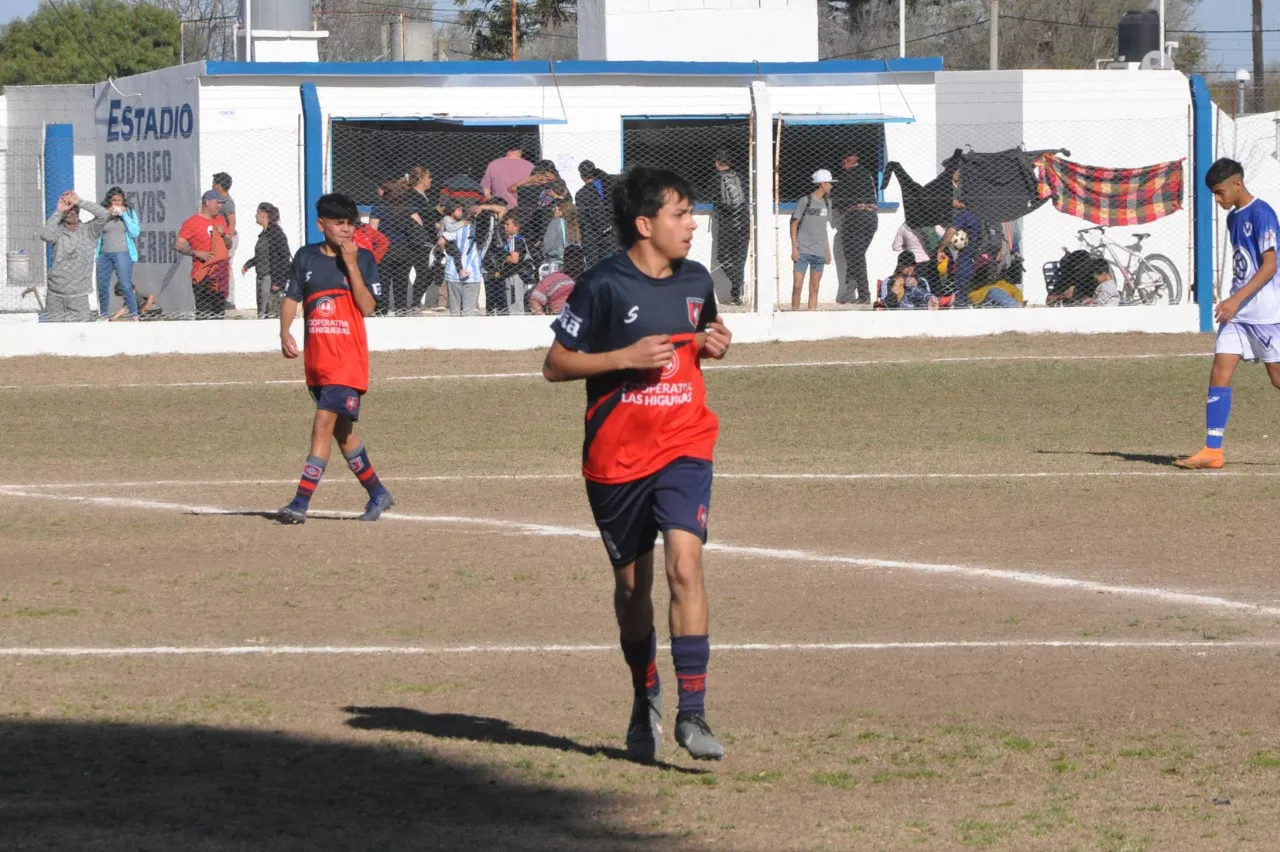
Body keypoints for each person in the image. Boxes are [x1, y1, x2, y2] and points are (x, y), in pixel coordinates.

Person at [541, 166, 733, 763]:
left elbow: (701, 335)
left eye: (691, 213)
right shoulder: (602, 285)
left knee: (684, 566)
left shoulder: (697, 279)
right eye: (680, 215)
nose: (692, 225)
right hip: (617, 458)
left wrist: (716, 344)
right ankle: (644, 691)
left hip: (685, 444)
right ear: (645, 224)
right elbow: (555, 364)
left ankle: (693, 713)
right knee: (632, 588)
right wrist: (622, 356)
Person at [276, 192, 394, 524]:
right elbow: (291, 297)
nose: (345, 230)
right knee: (344, 434)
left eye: (350, 224)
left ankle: (300, 502)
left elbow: (368, 307)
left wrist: (352, 264)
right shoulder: (305, 257)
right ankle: (378, 493)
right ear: (321, 224)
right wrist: (285, 331)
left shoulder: (364, 258)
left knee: (323, 424)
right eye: (338, 223)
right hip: (317, 362)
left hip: (347, 362)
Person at [1176, 158, 1280, 470]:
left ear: (1238, 184)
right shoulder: (1234, 218)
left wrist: (1236, 299)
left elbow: (1270, 265)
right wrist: (1234, 302)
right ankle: (1212, 450)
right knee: (1220, 370)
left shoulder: (1262, 213)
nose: (1217, 199)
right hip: (1237, 315)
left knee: (1277, 378)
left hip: (1265, 313)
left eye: (1220, 192)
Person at [39, 190, 108, 322]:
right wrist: (59, 210)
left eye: (75, 209)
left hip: (79, 295)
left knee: (78, 335)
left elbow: (104, 215)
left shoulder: (89, 231)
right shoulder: (58, 231)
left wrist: (79, 202)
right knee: (53, 334)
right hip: (55, 294)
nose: (72, 212)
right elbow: (45, 235)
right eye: (69, 210)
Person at [175, 190, 232, 318]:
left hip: (219, 274)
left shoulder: (221, 219)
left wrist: (224, 235)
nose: (220, 206)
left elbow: (229, 245)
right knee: (204, 315)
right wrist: (196, 253)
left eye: (221, 203)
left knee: (219, 314)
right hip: (202, 274)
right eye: (217, 203)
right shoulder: (192, 222)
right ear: (207, 202)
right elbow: (179, 245)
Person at [833, 152, 879, 304]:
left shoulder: (847, 176)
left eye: (844, 159)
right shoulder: (867, 173)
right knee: (856, 255)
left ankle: (863, 294)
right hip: (871, 219)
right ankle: (852, 288)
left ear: (852, 159)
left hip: (855, 218)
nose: (842, 163)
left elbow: (837, 198)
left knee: (855, 256)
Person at [789, 169, 835, 312]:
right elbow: (794, 224)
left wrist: (828, 251)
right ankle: (794, 313)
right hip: (803, 250)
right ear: (822, 183)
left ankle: (811, 314)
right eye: (829, 183)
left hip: (819, 251)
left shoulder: (828, 203)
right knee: (797, 286)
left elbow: (823, 229)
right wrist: (794, 248)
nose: (831, 186)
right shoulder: (805, 201)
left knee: (814, 288)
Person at [95, 186, 141, 321]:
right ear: (109, 201)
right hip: (104, 254)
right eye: (114, 201)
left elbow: (135, 232)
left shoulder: (130, 212)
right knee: (102, 286)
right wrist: (107, 214)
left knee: (125, 285)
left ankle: (135, 315)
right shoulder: (103, 213)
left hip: (122, 253)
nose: (117, 204)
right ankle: (103, 315)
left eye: (119, 201)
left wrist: (124, 214)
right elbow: (95, 230)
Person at [711, 150, 749, 306]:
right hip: (744, 222)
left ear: (717, 163)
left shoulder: (716, 178)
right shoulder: (742, 177)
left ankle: (738, 283)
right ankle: (736, 295)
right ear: (730, 163)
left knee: (723, 257)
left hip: (728, 223)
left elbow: (711, 196)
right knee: (739, 260)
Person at [242, 202, 292, 319]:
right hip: (262, 278)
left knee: (270, 313)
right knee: (262, 312)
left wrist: (278, 282)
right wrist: (248, 264)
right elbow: (262, 255)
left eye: (257, 213)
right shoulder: (264, 234)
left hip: (271, 279)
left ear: (263, 213)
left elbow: (284, 257)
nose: (255, 216)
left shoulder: (276, 233)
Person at [369, 177, 412, 314]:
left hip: (385, 249)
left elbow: (372, 230)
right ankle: (401, 310)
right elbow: (418, 224)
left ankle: (382, 310)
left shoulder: (378, 206)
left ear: (384, 190)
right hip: (404, 248)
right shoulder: (406, 206)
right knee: (401, 281)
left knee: (383, 281)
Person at [442, 207, 485, 316]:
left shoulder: (455, 228)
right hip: (473, 273)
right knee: (469, 312)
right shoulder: (484, 231)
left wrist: (446, 254)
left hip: (453, 272)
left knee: (454, 312)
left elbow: (441, 242)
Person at [576, 160, 615, 266]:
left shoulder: (581, 194)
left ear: (581, 175)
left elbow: (583, 220)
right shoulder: (608, 186)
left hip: (591, 238)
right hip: (611, 234)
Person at [529, 243, 584, 316]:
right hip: (558, 316)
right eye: (573, 257)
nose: (577, 261)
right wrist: (541, 319)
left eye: (579, 257)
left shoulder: (590, 278)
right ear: (566, 259)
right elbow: (535, 299)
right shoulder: (554, 278)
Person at [482, 139, 535, 208]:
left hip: (500, 208)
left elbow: (486, 191)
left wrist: (492, 205)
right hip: (523, 210)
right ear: (520, 150)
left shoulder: (494, 164)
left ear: (506, 149)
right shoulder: (530, 166)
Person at [212, 173, 237, 306]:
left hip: (228, 238)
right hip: (221, 238)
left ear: (219, 186)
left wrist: (228, 238)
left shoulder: (227, 202)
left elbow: (232, 222)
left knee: (227, 266)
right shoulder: (218, 200)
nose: (212, 185)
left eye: (214, 183)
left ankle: (229, 299)